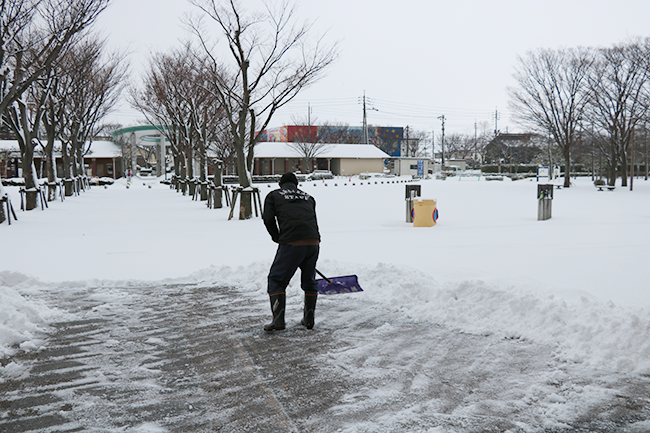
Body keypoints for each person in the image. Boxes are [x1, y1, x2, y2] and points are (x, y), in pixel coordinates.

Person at [262, 172, 320, 331]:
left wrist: (277, 237)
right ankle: (309, 319)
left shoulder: (274, 195)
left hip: (292, 243)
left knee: (276, 280)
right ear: (297, 185)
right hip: (313, 241)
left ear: (280, 184)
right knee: (309, 280)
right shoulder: (308, 197)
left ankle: (278, 321)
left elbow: (268, 218)